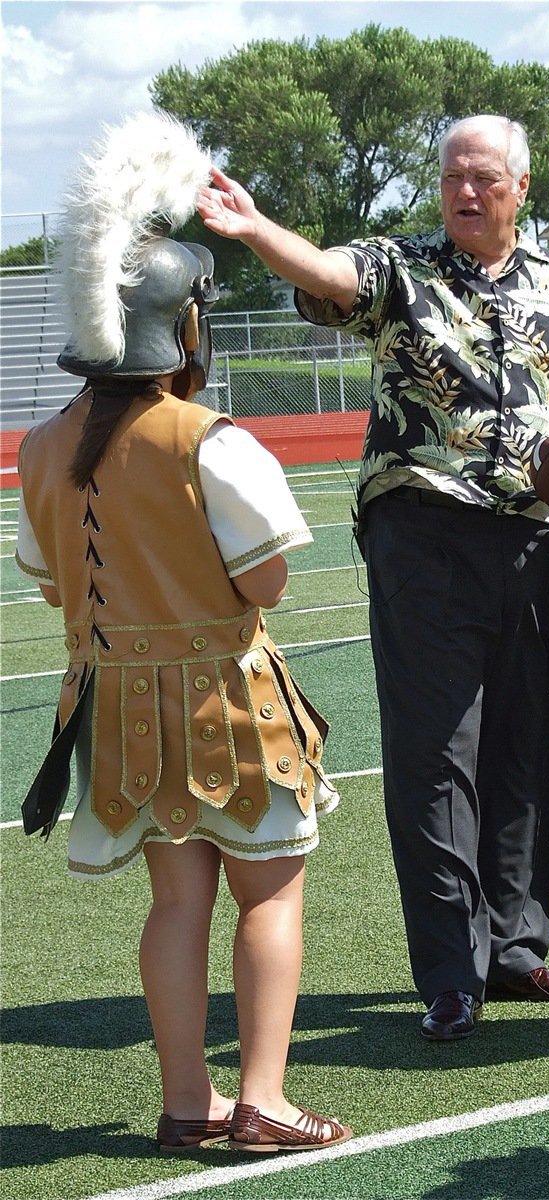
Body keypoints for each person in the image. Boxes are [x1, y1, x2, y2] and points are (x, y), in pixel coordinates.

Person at [198, 113, 549, 1040]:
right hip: (424, 537)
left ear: (521, 187)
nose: (464, 192)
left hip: (540, 543)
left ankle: (517, 950)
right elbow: (328, 275)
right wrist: (254, 227)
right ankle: (450, 970)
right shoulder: (403, 267)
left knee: (535, 745)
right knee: (438, 756)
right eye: (450, 177)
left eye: (482, 178)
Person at [16, 113, 351, 1152]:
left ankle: (185, 1102)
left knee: (174, 905)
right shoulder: (211, 440)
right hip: (226, 699)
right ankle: (263, 1097)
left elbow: (47, 586)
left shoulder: (37, 446)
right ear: (185, 327)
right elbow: (271, 580)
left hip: (112, 701)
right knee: (269, 896)